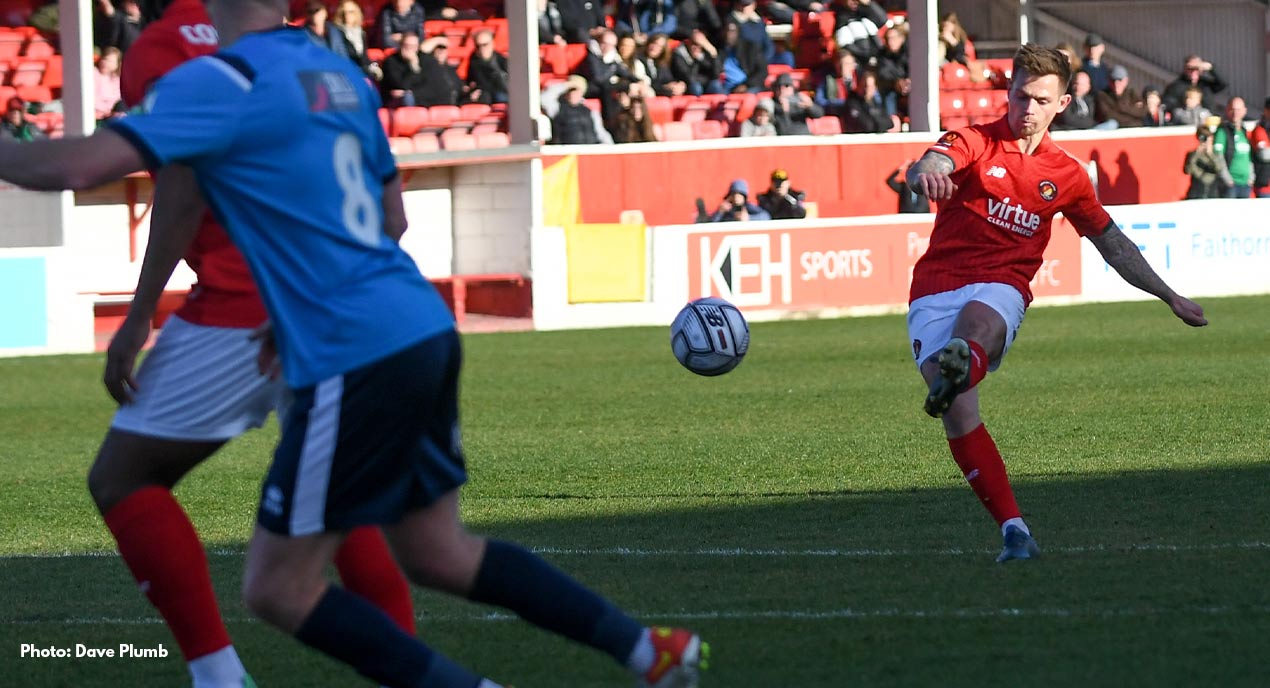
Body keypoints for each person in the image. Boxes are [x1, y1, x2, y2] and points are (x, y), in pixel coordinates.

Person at [0, 0, 709, 686]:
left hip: (350, 348)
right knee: (438, 552)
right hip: (420, 326)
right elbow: (392, 217)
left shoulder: (218, 79)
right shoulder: (334, 71)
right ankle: (648, 650)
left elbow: (74, 168)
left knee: (278, 587)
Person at [58, 0, 419, 686]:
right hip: (340, 300)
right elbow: (391, 214)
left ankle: (219, 676)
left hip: (241, 302)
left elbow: (182, 183)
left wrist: (139, 314)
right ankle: (418, 673)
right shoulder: (313, 55)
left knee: (123, 477)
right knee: (351, 500)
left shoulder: (164, 46)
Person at [904, 43, 1206, 564]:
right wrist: (926, 172)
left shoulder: (1066, 175)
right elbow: (932, 160)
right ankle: (1015, 531)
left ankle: (964, 359)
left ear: (1063, 103)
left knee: (976, 324)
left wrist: (1169, 294)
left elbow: (1113, 243)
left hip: (1001, 285)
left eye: (1042, 100)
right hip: (934, 288)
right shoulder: (976, 140)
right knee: (956, 410)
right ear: (1008, 92)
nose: (1029, 108)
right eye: (1022, 96)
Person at [1212, 97, 1266, 199]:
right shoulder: (1223, 131)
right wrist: (1227, 179)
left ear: (1244, 111)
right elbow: (1218, 156)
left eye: (1238, 109)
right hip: (1231, 184)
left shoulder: (1244, 131)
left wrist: (1251, 178)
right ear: (1227, 110)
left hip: (1246, 183)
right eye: (1232, 109)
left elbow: (1249, 157)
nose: (1235, 113)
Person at [329, 0, 379, 80]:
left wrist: (373, 66)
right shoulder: (336, 33)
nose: (346, 15)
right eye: (343, 12)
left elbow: (364, 58)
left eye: (351, 12)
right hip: (347, 74)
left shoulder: (361, 33)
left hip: (362, 72)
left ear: (356, 13)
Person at [1184, 121, 1234, 200]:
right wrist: (1196, 154)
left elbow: (1219, 169)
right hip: (1197, 190)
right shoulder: (1192, 155)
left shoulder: (1215, 154)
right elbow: (1188, 170)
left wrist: (1210, 154)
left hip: (1212, 190)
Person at [1162, 54, 1227, 113]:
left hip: (1208, 118)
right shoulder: (1176, 86)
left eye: (1196, 68)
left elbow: (1223, 84)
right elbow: (1168, 103)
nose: (1193, 72)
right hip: (1186, 119)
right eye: (1190, 69)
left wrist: (1211, 68)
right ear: (1185, 69)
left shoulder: (1205, 84)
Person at [379, 31, 428, 107]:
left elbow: (428, 83)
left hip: (420, 98)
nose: (410, 49)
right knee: (408, 98)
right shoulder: (390, 61)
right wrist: (412, 65)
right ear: (401, 45)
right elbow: (400, 85)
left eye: (414, 46)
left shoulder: (424, 58)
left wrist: (413, 92)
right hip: (394, 101)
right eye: (407, 46)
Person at [550, 75, 604, 144]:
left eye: (576, 91)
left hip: (590, 148)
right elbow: (544, 98)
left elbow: (601, 132)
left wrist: (611, 146)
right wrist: (568, 85)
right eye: (570, 91)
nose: (572, 94)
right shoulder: (557, 108)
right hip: (566, 149)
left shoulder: (590, 111)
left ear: (582, 93)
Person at [671, 29, 723, 96]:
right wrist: (696, 60)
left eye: (700, 45)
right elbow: (689, 78)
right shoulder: (679, 54)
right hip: (688, 85)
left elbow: (716, 75)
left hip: (705, 82)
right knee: (696, 87)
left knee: (716, 85)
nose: (696, 47)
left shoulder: (706, 52)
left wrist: (713, 54)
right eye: (694, 43)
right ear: (688, 42)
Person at [1095, 64, 1145, 129]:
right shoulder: (1103, 95)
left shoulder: (1132, 94)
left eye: (1119, 80)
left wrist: (1123, 108)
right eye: (1113, 80)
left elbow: (1142, 111)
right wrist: (1132, 117)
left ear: (1126, 81)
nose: (1116, 84)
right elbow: (1108, 115)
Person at [467, 29, 509, 104]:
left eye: (485, 45)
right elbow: (472, 81)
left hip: (506, 94)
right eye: (478, 46)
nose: (482, 49)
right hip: (490, 97)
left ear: (492, 43)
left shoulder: (502, 61)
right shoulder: (474, 62)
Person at [702, 179, 771, 222]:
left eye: (740, 195)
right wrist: (719, 212)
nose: (736, 198)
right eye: (734, 194)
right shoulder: (726, 209)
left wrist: (749, 218)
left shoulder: (748, 207)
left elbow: (766, 216)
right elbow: (711, 223)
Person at [94, 46, 124, 123]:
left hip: (111, 114)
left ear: (117, 64)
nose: (106, 63)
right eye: (104, 59)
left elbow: (117, 98)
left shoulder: (116, 80)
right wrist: (106, 110)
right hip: (96, 114)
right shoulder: (94, 74)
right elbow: (92, 99)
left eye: (110, 61)